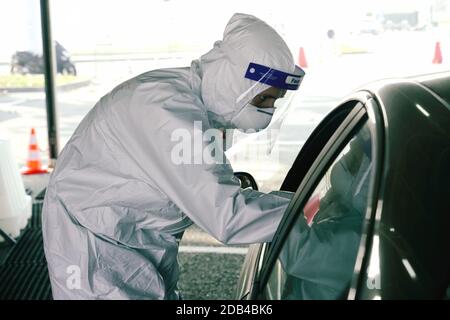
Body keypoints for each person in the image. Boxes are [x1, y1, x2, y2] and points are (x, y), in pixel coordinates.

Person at [42, 13, 305, 299]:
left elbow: (198, 179)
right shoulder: (169, 111)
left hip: (132, 239)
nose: (268, 111)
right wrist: (309, 206)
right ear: (236, 82)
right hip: (96, 248)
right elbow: (227, 216)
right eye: (263, 99)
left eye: (274, 101)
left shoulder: (190, 100)